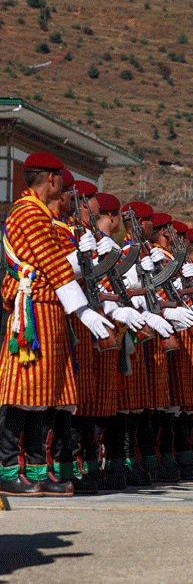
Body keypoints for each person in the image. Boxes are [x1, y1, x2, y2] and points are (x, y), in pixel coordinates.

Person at [1, 153, 115, 497]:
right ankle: (6, 468)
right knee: (24, 391)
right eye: (61, 179)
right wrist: (84, 311)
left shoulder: (45, 215)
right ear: (50, 179)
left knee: (45, 395)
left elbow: (60, 267)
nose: (65, 186)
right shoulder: (28, 213)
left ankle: (37, 470)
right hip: (34, 309)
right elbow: (53, 268)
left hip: (51, 308)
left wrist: (87, 258)